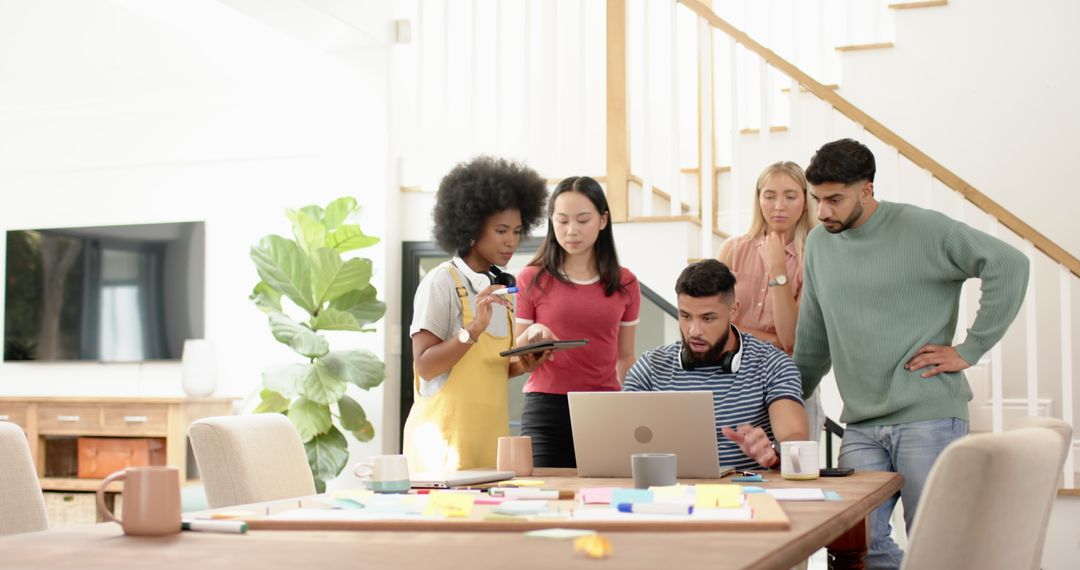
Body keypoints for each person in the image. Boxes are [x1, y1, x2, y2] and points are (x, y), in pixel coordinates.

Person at [794, 138, 1029, 569]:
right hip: (862, 423)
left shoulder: (924, 229)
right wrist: (783, 401)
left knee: (935, 541)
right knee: (855, 544)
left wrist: (970, 349)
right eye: (816, 199)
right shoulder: (819, 246)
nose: (823, 211)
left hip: (928, 415)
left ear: (867, 190)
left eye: (834, 199)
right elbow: (813, 339)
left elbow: (1009, 264)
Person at [402, 155, 550, 473]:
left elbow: (492, 368)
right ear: (471, 228)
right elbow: (426, 366)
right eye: (500, 230)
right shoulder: (441, 282)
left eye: (516, 231)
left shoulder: (499, 289)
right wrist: (474, 328)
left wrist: (525, 362)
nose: (511, 240)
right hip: (443, 448)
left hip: (489, 445)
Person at [623, 260, 808, 471]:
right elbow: (620, 439)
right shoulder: (649, 367)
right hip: (668, 493)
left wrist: (774, 453)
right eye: (685, 316)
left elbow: (796, 441)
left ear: (733, 310)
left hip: (745, 495)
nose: (694, 331)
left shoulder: (772, 364)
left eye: (708, 318)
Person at [514, 176, 640, 467]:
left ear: (603, 220)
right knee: (541, 499)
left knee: (602, 500)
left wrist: (633, 407)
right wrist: (534, 332)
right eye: (562, 220)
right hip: (545, 407)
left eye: (583, 220)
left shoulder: (625, 282)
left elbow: (625, 356)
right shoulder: (531, 278)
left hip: (604, 408)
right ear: (551, 221)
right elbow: (516, 354)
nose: (572, 231)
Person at [717, 161, 825, 442]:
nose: (779, 205)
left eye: (790, 196)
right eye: (769, 195)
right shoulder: (733, 249)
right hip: (736, 385)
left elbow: (791, 340)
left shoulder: (816, 255)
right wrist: (770, 339)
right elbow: (715, 327)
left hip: (790, 384)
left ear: (805, 202)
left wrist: (778, 270)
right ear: (758, 199)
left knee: (796, 473)